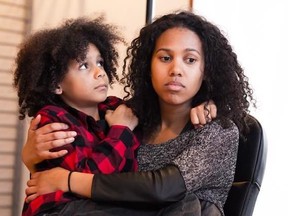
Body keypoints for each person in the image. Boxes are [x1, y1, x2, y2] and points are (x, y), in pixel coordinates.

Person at [23, 10, 254, 215]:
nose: (176, 70)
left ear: (206, 70)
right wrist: (31, 158)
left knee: (187, 204)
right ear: (148, 66)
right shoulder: (133, 116)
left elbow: (162, 189)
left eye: (190, 60)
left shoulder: (216, 130)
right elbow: (72, 164)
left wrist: (68, 180)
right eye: (165, 58)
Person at [13, 16, 141, 216]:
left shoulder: (115, 108)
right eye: (84, 66)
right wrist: (120, 131)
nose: (100, 72)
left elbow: (154, 107)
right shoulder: (53, 121)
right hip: (64, 209)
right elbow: (88, 180)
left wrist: (204, 103)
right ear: (56, 84)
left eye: (100, 62)